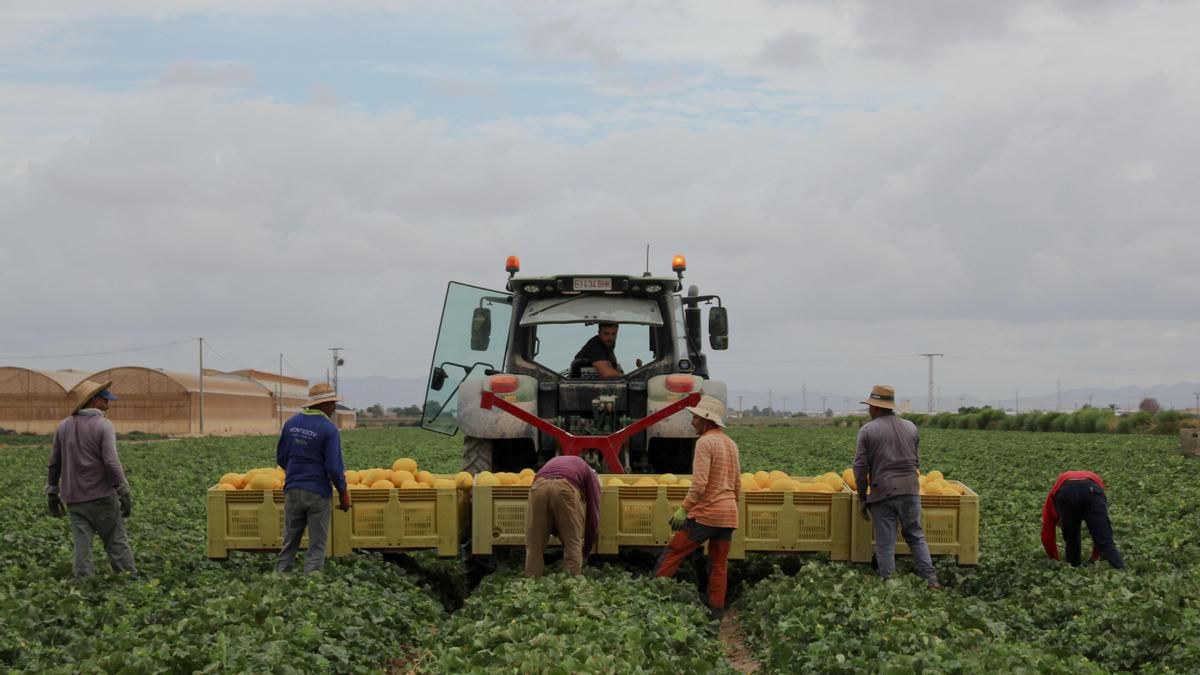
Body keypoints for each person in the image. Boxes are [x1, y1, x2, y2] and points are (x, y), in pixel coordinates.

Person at [655, 395, 740, 619]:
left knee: (674, 551)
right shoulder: (730, 443)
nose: (692, 422)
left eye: (695, 418)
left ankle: (654, 594)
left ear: (706, 420)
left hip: (707, 514)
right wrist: (731, 507)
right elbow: (738, 483)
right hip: (729, 514)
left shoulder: (704, 442)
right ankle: (716, 609)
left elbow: (700, 483)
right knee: (719, 564)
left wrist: (684, 508)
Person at [852, 384, 941, 589]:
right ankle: (932, 581)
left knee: (885, 543)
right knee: (916, 536)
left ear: (875, 408)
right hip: (911, 489)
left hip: (883, 492)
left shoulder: (868, 430)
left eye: (870, 407)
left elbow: (859, 467)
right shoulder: (911, 427)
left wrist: (862, 497)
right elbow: (916, 462)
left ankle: (891, 587)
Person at [46, 379, 137, 577]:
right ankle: (129, 579)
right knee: (115, 538)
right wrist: (123, 490)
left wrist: (52, 492)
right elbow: (111, 462)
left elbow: (54, 463)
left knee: (82, 543)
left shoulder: (63, 426)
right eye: (105, 400)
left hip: (74, 498)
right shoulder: (104, 425)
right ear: (94, 400)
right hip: (101, 495)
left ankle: (84, 586)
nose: (108, 404)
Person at [276, 382, 350, 574]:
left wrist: (296, 474)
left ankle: (281, 578)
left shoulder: (291, 424)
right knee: (317, 544)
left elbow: (281, 458)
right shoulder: (329, 429)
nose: (334, 407)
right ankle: (311, 585)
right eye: (331, 403)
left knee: (290, 540)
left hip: (292, 489)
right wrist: (343, 492)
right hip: (318, 493)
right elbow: (334, 468)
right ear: (322, 405)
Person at [525, 455, 601, 576]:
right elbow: (593, 512)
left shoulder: (558, 461)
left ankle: (531, 581)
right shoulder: (591, 476)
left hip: (538, 487)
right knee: (573, 544)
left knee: (535, 544)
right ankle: (569, 585)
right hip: (564, 488)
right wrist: (586, 548)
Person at [1041, 471, 1125, 569]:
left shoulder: (1051, 504)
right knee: (1103, 537)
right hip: (1092, 489)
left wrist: (1054, 558)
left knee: (1072, 537)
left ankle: (1073, 567)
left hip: (1067, 491)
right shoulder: (1054, 497)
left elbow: (1047, 535)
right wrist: (1095, 556)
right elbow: (1099, 528)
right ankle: (1120, 568)